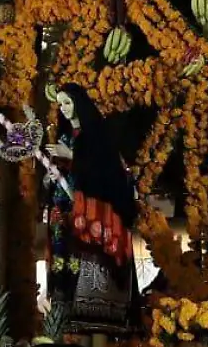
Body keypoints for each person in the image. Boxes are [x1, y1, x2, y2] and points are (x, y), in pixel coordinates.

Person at [43, 84, 139, 333]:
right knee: (65, 277)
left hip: (89, 218)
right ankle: (65, 337)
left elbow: (106, 170)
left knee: (89, 278)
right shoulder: (65, 136)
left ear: (79, 103)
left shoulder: (96, 134)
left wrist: (72, 156)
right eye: (60, 104)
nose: (64, 109)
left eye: (68, 103)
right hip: (63, 215)